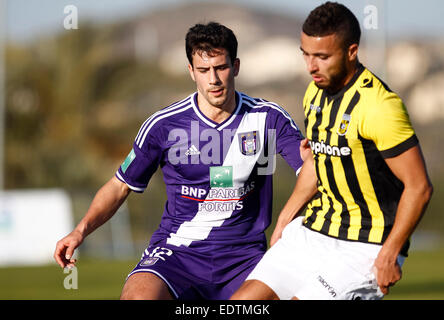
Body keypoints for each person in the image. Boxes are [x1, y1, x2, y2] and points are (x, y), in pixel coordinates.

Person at [54, 22, 307, 300]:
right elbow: (119, 186)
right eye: (203, 70)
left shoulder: (268, 117)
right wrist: (80, 231)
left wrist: (286, 222)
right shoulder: (164, 125)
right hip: (177, 254)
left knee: (304, 294)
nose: (214, 80)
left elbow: (312, 170)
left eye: (221, 68)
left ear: (235, 66)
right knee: (138, 297)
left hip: (245, 259)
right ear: (191, 71)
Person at [231, 2, 433, 300]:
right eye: (306, 54)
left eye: (322, 56)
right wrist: (285, 220)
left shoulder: (379, 107)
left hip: (365, 246)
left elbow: (419, 187)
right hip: (313, 231)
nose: (311, 66)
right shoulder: (314, 93)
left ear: (351, 51)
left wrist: (391, 252)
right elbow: (317, 163)